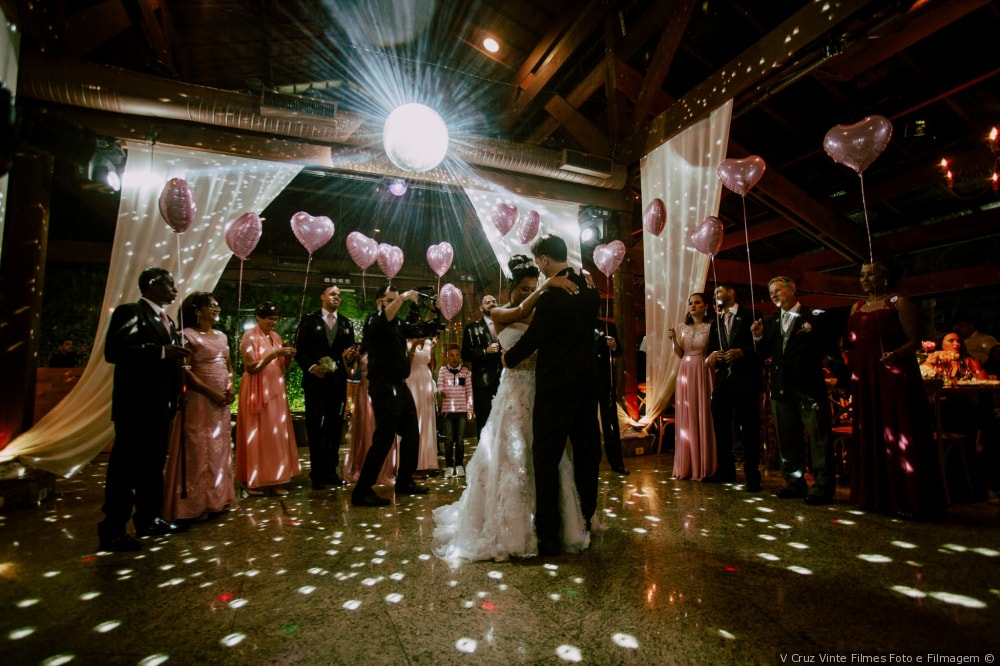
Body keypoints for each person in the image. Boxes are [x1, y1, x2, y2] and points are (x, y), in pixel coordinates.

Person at [433, 254, 586, 561]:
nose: (529, 291)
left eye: (533, 286)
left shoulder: (540, 311)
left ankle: (548, 522)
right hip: (514, 390)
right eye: (524, 287)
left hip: (540, 389)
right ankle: (510, 526)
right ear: (513, 287)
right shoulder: (501, 311)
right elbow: (518, 313)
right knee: (512, 454)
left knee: (545, 455)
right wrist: (545, 288)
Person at [503, 235, 601, 557]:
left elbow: (534, 336)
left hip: (556, 388)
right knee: (587, 454)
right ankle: (585, 520)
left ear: (544, 259)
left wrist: (508, 358)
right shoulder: (590, 290)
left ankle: (548, 536)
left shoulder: (553, 296)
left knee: (546, 457)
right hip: (585, 386)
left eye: (539, 262)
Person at [99, 267, 191, 552]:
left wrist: (177, 392)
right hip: (135, 405)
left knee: (152, 466)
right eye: (170, 284)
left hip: (161, 405)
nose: (175, 290)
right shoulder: (130, 312)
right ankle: (113, 529)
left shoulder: (168, 320)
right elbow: (114, 352)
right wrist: (162, 351)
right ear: (152, 284)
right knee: (125, 468)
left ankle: (149, 518)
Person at [844, 261, 946, 518]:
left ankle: (907, 497)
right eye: (862, 275)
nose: (865, 279)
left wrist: (897, 354)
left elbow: (915, 339)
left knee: (898, 424)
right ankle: (871, 496)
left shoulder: (899, 302)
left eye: (871, 274)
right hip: (864, 373)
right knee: (870, 426)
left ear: (885, 276)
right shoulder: (856, 306)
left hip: (893, 371)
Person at [751, 276, 846, 505]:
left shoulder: (815, 316)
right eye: (771, 292)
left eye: (777, 290)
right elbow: (764, 354)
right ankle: (794, 482)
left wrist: (844, 378)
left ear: (792, 289)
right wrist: (758, 336)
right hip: (781, 387)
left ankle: (823, 487)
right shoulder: (772, 321)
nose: (773, 295)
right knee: (787, 437)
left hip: (809, 386)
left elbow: (830, 350)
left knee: (819, 438)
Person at [351, 285, 441, 507]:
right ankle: (362, 490)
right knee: (384, 437)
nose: (395, 303)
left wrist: (432, 310)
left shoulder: (399, 324)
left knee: (411, 433)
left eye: (395, 299)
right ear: (379, 302)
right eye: (389, 300)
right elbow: (385, 318)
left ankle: (404, 481)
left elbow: (421, 329)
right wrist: (401, 298)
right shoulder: (374, 321)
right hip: (383, 385)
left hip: (400, 384)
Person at [162, 292, 236, 522]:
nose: (217, 309)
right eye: (211, 305)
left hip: (221, 403)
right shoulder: (186, 336)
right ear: (196, 311)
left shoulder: (222, 336)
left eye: (217, 305)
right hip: (199, 401)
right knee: (197, 447)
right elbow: (185, 371)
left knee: (219, 447)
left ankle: (217, 500)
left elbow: (228, 365)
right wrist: (212, 393)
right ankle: (193, 505)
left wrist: (230, 386)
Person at [294, 285, 358, 490]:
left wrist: (351, 355)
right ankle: (317, 474)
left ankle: (331, 471)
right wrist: (313, 367)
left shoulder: (346, 323)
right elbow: (299, 351)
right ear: (322, 297)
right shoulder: (308, 320)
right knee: (315, 427)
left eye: (339, 295)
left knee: (334, 427)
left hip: (337, 383)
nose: (336, 297)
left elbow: (350, 350)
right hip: (315, 383)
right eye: (332, 294)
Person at [234, 301, 300, 497]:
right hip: (256, 389)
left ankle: (275, 478)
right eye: (270, 319)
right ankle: (252, 479)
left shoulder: (276, 336)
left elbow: (282, 367)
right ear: (258, 317)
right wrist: (275, 354)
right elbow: (250, 367)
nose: (273, 322)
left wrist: (287, 355)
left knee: (275, 434)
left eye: (276, 319)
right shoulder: (249, 337)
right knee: (257, 433)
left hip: (275, 390)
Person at [704, 283, 763, 492]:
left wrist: (742, 352)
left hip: (746, 379)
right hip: (723, 382)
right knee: (721, 426)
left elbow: (762, 346)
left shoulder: (751, 315)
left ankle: (752, 475)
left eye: (718, 291)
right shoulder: (716, 323)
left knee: (748, 427)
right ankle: (726, 471)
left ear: (731, 292)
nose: (715, 295)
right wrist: (714, 355)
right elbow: (711, 350)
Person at [668, 292, 717, 481]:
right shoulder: (683, 327)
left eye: (697, 302)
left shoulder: (711, 326)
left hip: (703, 369)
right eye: (691, 303)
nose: (693, 306)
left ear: (706, 306)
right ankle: (688, 464)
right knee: (688, 414)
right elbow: (680, 353)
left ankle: (705, 464)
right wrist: (674, 340)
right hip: (686, 370)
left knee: (704, 412)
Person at [462, 294, 501, 439]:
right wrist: (485, 351)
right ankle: (483, 451)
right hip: (483, 383)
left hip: (504, 380)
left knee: (501, 420)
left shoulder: (505, 325)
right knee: (484, 421)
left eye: (494, 301)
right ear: (481, 308)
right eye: (487, 302)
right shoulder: (472, 328)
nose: (492, 303)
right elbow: (465, 354)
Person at [595, 321, 629, 475]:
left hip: (605, 380)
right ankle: (593, 462)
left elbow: (619, 351)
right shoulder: (578, 323)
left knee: (610, 422)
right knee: (589, 424)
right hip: (585, 379)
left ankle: (616, 462)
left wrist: (614, 346)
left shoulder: (608, 326)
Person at [437, 344, 473, 478]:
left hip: (461, 411)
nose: (454, 358)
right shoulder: (442, 371)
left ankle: (459, 464)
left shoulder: (465, 372)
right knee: (448, 440)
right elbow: (439, 384)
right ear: (447, 357)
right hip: (448, 411)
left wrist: (470, 409)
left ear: (460, 357)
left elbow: (469, 392)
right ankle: (448, 465)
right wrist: (441, 391)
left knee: (459, 439)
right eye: (451, 355)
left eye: (457, 355)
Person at [406, 337, 439, 474]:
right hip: (412, 380)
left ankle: (427, 462)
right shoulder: (406, 342)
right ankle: (412, 464)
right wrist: (414, 345)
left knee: (426, 419)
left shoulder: (427, 342)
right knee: (413, 419)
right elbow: (405, 364)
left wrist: (432, 349)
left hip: (426, 380)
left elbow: (432, 364)